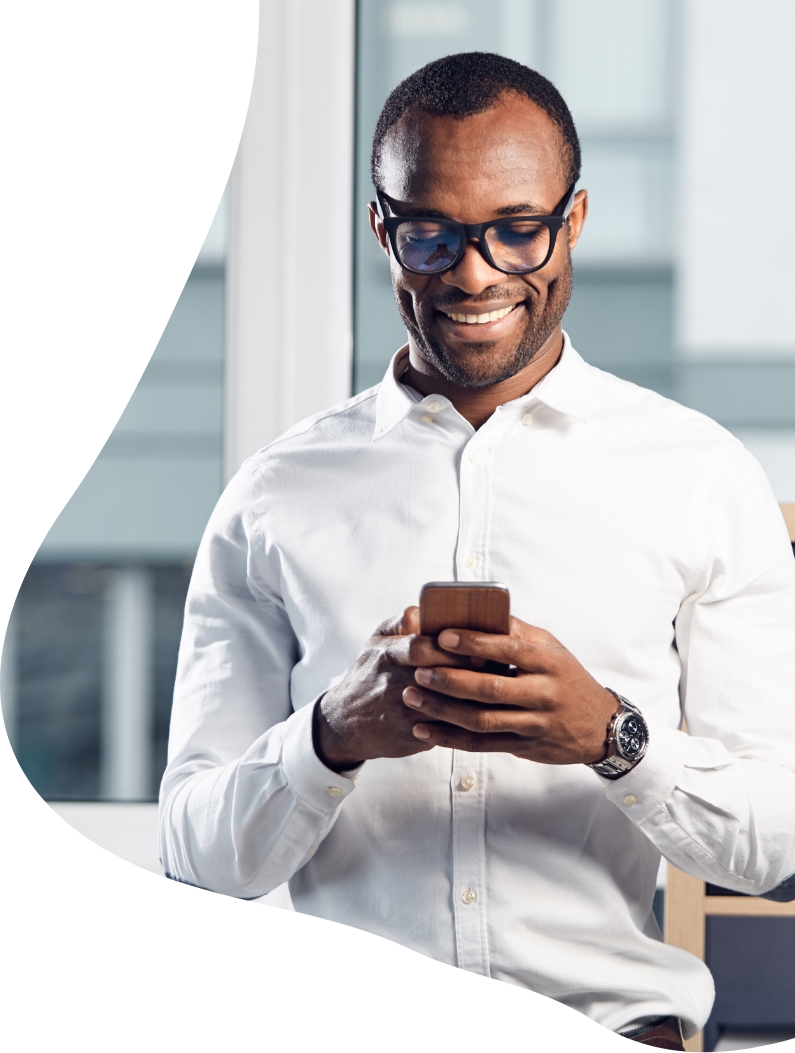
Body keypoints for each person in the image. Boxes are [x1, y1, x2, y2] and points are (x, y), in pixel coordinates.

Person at [159, 53, 795, 1049]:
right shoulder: (272, 500)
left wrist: (610, 736)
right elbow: (194, 858)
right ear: (383, 228)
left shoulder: (701, 478)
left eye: (516, 231)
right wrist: (331, 734)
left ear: (573, 221)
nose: (472, 272)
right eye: (432, 233)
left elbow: (775, 844)